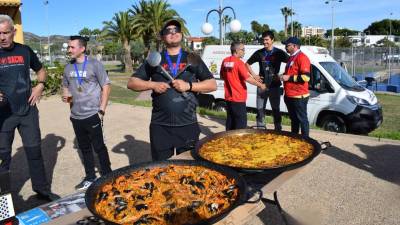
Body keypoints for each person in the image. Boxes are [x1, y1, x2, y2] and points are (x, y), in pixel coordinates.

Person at [127, 19, 216, 161]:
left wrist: (189, 86)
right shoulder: (154, 59)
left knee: (189, 171)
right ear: (163, 37)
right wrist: (153, 85)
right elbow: (132, 83)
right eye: (168, 31)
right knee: (161, 170)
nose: (173, 33)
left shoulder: (192, 58)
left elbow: (212, 84)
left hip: (188, 125)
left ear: (181, 34)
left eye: (176, 30)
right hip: (160, 126)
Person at [0, 14, 59, 201]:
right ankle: (4, 198)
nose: (2, 37)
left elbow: (41, 70)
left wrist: (40, 85)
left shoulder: (25, 50)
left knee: (34, 152)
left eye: (6, 33)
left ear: (13, 32)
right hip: (3, 116)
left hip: (28, 111)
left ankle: (41, 189)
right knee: (3, 158)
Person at [62, 36, 112, 190]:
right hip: (76, 116)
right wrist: (65, 96)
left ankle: (107, 176)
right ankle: (90, 177)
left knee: (99, 146)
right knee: (84, 147)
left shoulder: (94, 64)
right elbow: (65, 85)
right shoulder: (68, 67)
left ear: (82, 49)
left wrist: (102, 110)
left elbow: (106, 86)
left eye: (72, 47)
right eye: (69, 47)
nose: (69, 50)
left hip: (93, 114)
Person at [246, 31, 289, 130]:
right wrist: (254, 75)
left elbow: (290, 63)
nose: (264, 42)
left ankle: (278, 130)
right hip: (262, 86)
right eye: (263, 40)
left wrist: (282, 75)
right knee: (260, 110)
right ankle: (260, 130)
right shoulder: (259, 52)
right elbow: (247, 64)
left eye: (267, 40)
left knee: (276, 110)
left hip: (275, 86)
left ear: (272, 40)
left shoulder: (279, 52)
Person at [220, 42, 266, 130]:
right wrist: (261, 85)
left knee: (230, 121)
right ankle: (238, 142)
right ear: (237, 50)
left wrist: (231, 78)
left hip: (229, 97)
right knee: (240, 124)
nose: (244, 52)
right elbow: (248, 78)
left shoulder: (225, 61)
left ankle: (228, 141)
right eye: (243, 50)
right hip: (238, 98)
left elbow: (222, 76)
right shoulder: (239, 63)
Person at [280, 37, 311, 137]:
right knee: (294, 119)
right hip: (290, 95)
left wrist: (288, 77)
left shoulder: (302, 57)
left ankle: (305, 140)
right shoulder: (291, 58)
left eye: (287, 45)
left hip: (299, 96)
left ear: (295, 46)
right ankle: (295, 138)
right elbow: (290, 73)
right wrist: (281, 76)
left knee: (302, 119)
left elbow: (306, 77)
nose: (285, 47)